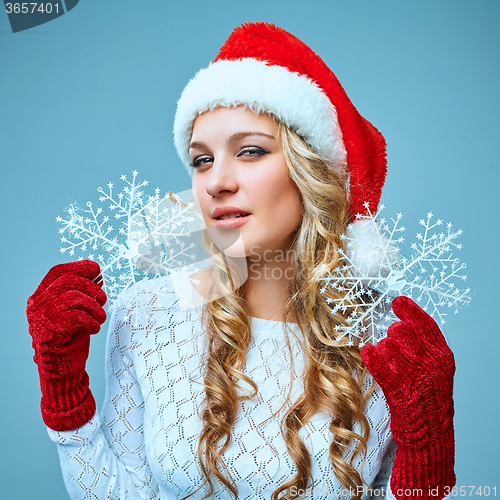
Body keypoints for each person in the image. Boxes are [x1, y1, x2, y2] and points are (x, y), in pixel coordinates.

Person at [26, 22, 456, 500]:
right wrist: (64, 389)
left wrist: (427, 448)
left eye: (250, 151)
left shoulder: (385, 344)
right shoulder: (146, 314)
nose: (217, 182)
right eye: (202, 160)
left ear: (310, 169)